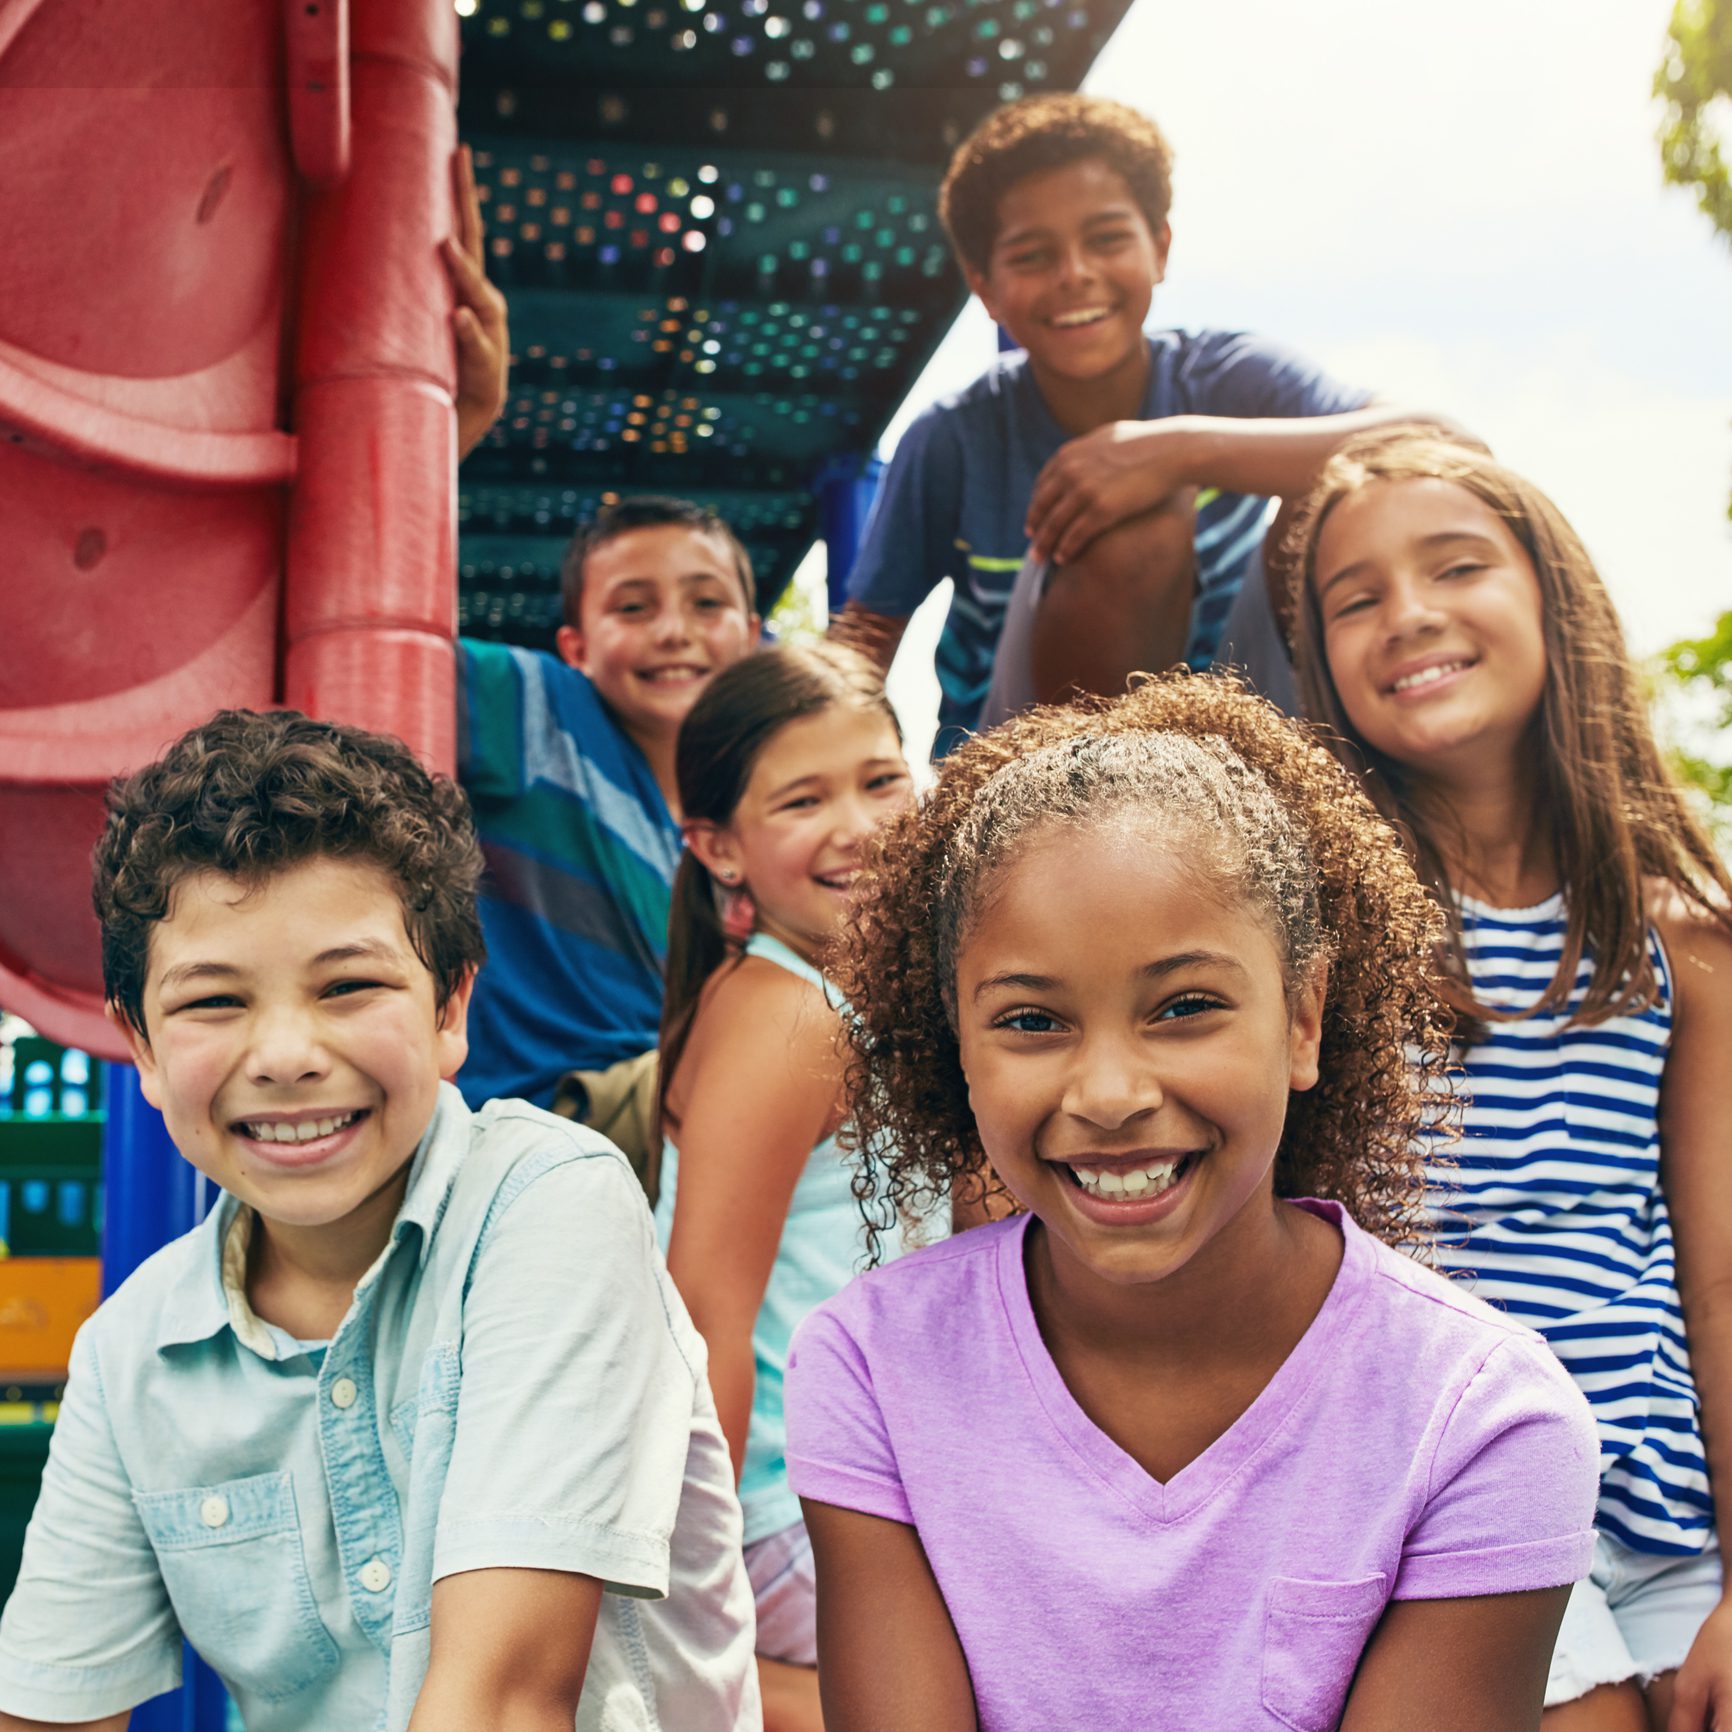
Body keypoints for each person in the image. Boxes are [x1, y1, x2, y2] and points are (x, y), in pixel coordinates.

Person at [783, 674, 1602, 1731]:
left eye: (1184, 1007)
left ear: (1302, 1018)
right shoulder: (874, 1366)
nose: (1111, 1094)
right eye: (1031, 1021)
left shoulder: (1480, 1420)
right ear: (957, 1046)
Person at [0, 709, 760, 1732]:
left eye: (348, 985)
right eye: (214, 1003)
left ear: (450, 1008)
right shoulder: (132, 1352)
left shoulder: (547, 1203)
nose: (284, 1053)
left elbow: (498, 1704)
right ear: (137, 1044)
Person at [1286, 431, 1732, 1731]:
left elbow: (1720, 1272)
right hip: (1432, 1490)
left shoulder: (1683, 935)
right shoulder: (1324, 927)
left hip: (1654, 1492)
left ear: (1553, 599)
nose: (1406, 614)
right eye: (1353, 598)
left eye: (1455, 566)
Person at [829, 92, 1457, 750]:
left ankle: (1329, 776)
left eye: (1105, 240)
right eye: (1033, 256)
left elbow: (1440, 444)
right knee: (1138, 526)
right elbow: (865, 640)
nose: (1075, 275)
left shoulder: (1222, 377)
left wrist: (1179, 451)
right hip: (1032, 757)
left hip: (1241, 726)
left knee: (1342, 486)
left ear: (1159, 247)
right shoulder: (952, 439)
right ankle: (1093, 823)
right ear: (983, 285)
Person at [656, 644, 920, 1732]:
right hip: (785, 1513)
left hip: (848, 1498)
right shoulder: (785, 1018)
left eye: (879, 778)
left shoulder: (849, 999)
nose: (856, 824)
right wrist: (688, 1589)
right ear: (719, 848)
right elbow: (704, 1315)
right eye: (803, 800)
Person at [455, 496, 761, 1148]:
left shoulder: (755, 813)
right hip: (548, 1116)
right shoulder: (539, 710)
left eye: (707, 604)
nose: (675, 630)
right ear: (576, 647)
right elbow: (392, 637)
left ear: (752, 633)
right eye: (633, 608)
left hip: (673, 1120)